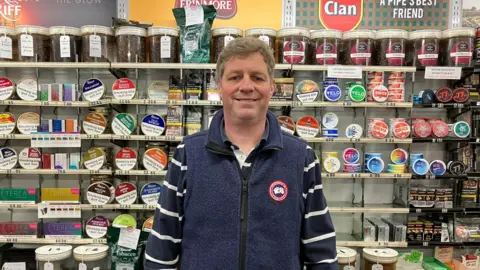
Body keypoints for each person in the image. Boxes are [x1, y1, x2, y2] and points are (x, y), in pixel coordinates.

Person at [144, 37, 338, 270]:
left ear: (272, 86)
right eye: (235, 77)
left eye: (257, 77)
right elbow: (161, 251)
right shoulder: (188, 154)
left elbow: (321, 253)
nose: (246, 86)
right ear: (219, 86)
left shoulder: (301, 157)